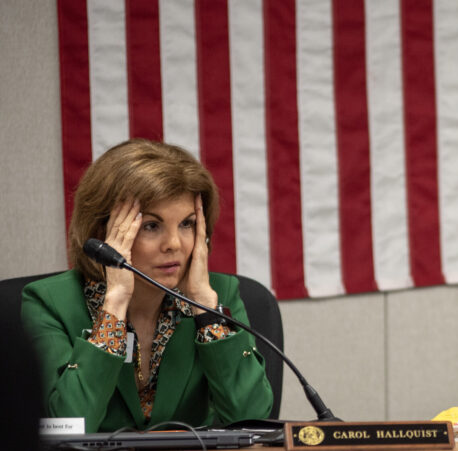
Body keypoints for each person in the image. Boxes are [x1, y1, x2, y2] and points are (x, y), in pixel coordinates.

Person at [21, 139, 273, 432]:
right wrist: (114, 304)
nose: (174, 245)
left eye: (187, 224)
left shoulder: (218, 294)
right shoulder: (51, 302)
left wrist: (204, 308)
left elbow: (253, 420)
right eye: (151, 226)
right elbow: (70, 424)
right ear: (103, 233)